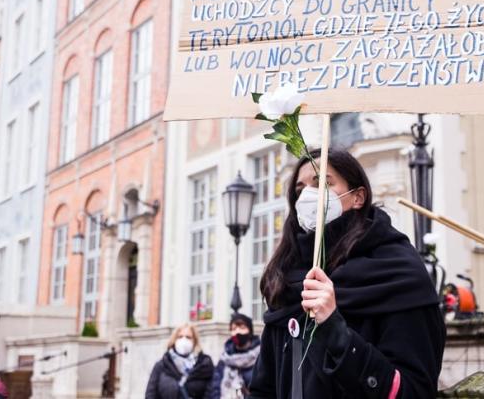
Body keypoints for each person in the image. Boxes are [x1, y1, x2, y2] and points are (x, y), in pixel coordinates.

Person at [249, 148, 446, 398]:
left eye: (322, 183)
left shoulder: (397, 273)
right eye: (300, 190)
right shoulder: (289, 277)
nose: (309, 195)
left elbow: (413, 391)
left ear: (358, 197)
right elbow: (263, 388)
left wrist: (335, 330)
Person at [145, 323, 214, 399]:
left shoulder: (205, 365)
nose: (184, 340)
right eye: (180, 337)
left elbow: (212, 393)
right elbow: (151, 394)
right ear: (174, 340)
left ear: (195, 341)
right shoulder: (162, 365)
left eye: (188, 337)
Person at [208, 313, 261, 399]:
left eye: (242, 328)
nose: (237, 331)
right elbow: (215, 388)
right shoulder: (224, 359)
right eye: (233, 329)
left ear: (250, 331)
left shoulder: (261, 357)